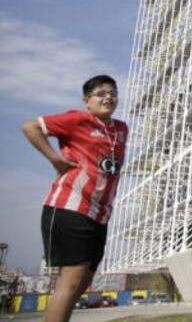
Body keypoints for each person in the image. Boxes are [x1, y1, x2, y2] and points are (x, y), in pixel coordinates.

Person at [21, 74, 127, 322]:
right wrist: (56, 159)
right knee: (72, 280)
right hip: (69, 206)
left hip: (100, 215)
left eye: (112, 92)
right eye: (100, 93)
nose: (108, 97)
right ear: (86, 101)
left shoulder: (121, 129)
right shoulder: (78, 120)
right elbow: (31, 127)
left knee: (82, 283)